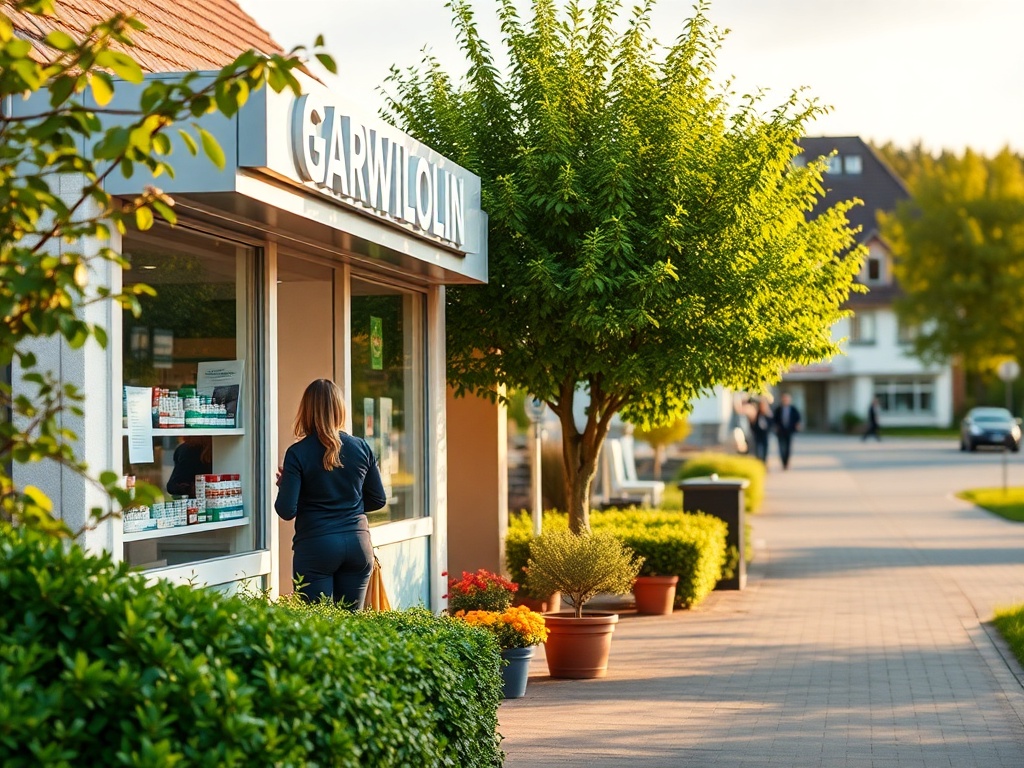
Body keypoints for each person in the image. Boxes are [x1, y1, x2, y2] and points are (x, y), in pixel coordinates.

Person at [275, 379, 387, 608]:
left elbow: (286, 510)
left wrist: (287, 486)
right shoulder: (362, 447)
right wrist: (347, 504)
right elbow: (378, 499)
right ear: (340, 409)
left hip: (317, 547)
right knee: (351, 627)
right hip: (358, 544)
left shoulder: (297, 453)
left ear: (306, 411)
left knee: (319, 629)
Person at [772, 392, 802, 470]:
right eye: (784, 399)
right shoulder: (778, 409)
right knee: (781, 448)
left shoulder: (793, 409)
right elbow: (774, 419)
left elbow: (798, 418)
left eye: (787, 399)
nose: (785, 400)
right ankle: (783, 462)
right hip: (780, 432)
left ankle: (786, 463)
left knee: (788, 448)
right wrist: (775, 427)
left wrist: (797, 425)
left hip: (789, 431)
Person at [749, 398, 773, 463]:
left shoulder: (768, 414)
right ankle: (759, 461)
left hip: (765, 434)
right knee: (758, 449)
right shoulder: (756, 414)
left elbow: (771, 423)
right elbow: (752, 424)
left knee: (765, 448)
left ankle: (764, 462)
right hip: (757, 434)